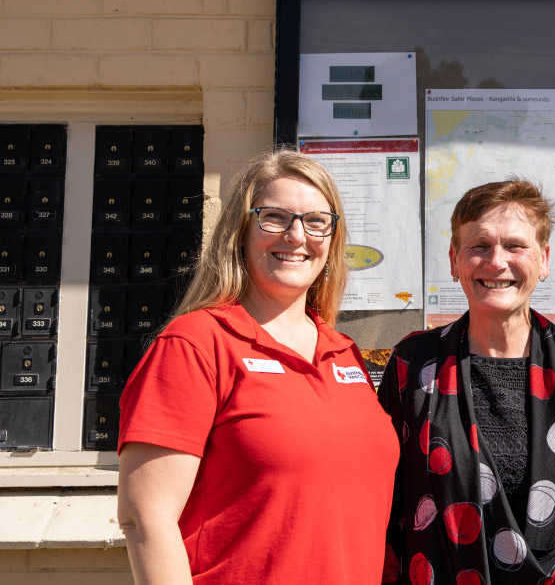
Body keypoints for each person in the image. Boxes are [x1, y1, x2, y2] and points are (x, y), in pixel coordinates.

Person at [117, 149, 398, 585]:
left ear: (332, 239)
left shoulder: (344, 353)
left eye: (316, 221)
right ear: (240, 232)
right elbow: (144, 518)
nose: (296, 235)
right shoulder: (195, 344)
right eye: (275, 218)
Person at [379, 179, 555, 585]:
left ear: (543, 259)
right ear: (454, 260)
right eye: (479, 246)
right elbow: (386, 513)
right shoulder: (412, 367)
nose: (496, 261)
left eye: (515, 246)